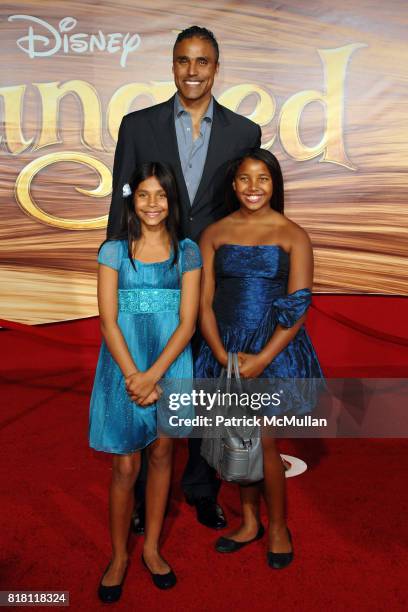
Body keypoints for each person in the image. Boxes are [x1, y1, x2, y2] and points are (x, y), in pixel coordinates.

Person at [108, 25, 261, 531]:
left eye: (202, 61)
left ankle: (199, 486)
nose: (192, 71)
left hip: (212, 281)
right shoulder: (137, 125)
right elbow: (120, 209)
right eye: (183, 61)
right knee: (152, 375)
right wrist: (122, 277)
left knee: (201, 386)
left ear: (217, 67)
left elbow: (245, 212)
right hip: (149, 280)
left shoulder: (244, 133)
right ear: (172, 66)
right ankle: (138, 494)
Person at [195, 148, 324, 568]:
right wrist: (220, 353)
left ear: (274, 185)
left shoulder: (293, 234)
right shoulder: (214, 233)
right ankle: (249, 521)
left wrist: (261, 359)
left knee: (265, 443)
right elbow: (204, 301)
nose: (253, 188)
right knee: (238, 440)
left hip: (274, 351)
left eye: (263, 179)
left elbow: (299, 307)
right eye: (245, 179)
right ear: (234, 185)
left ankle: (280, 527)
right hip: (226, 349)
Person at [89, 162, 202, 601]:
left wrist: (154, 376)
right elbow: (108, 321)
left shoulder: (187, 251)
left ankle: (152, 548)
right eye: (143, 195)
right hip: (122, 367)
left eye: (161, 195)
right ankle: (119, 555)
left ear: (172, 202)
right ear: (131, 199)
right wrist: (134, 375)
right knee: (125, 465)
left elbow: (188, 323)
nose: (152, 204)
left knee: (161, 455)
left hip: (170, 367)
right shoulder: (113, 251)